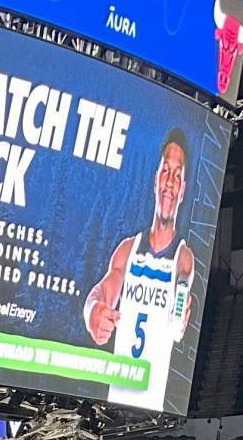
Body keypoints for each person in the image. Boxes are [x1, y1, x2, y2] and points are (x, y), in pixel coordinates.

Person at [80, 127, 199, 410]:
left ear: (182, 190)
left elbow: (182, 292)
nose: (170, 181)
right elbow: (103, 289)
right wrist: (93, 311)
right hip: (116, 400)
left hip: (150, 406)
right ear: (155, 181)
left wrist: (180, 315)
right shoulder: (128, 249)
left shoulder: (183, 258)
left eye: (177, 174)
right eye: (165, 171)